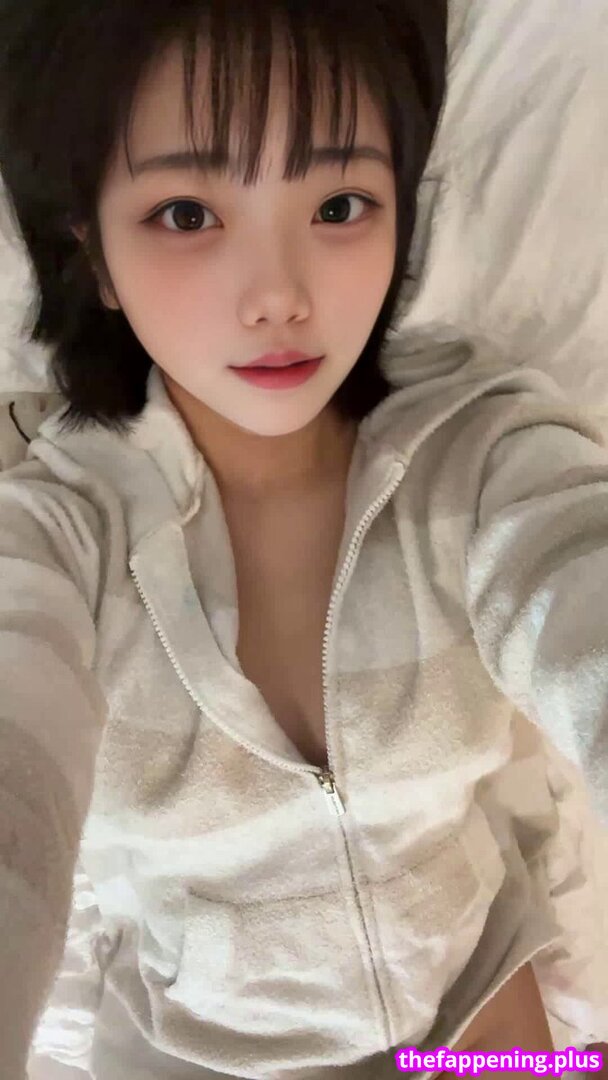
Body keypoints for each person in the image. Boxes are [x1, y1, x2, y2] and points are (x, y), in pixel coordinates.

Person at [0, 0, 605, 1077]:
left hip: (469, 1000)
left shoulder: (482, 451)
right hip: (194, 1051)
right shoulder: (57, 537)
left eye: (338, 204)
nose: (280, 295)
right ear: (93, 254)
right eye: (187, 213)